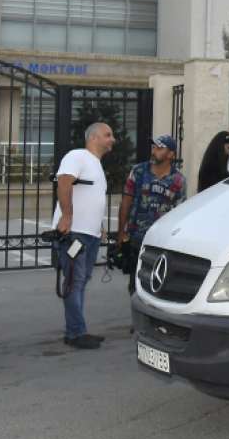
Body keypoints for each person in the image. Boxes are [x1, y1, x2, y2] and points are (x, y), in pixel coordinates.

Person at [52, 121, 115, 349]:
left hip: (90, 235)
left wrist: (100, 227)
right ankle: (75, 333)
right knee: (74, 281)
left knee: (80, 281)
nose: (113, 139)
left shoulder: (95, 164)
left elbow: (91, 198)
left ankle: (77, 330)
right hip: (74, 234)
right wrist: (67, 217)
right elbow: (64, 182)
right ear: (93, 137)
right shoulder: (77, 156)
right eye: (108, 135)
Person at [117, 135, 187, 294]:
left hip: (161, 241)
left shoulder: (178, 180)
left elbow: (180, 214)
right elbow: (126, 202)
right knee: (135, 285)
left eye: (160, 148)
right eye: (154, 147)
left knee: (157, 282)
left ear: (171, 154)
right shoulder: (138, 172)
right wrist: (121, 233)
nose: (154, 151)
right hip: (137, 237)